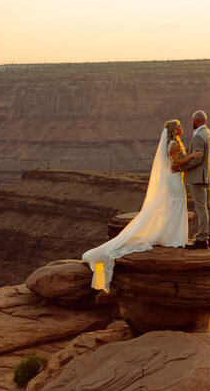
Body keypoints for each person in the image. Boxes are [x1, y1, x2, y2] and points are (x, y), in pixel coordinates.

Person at [82, 119, 194, 290]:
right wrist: (192, 156)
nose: (182, 128)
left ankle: (173, 236)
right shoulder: (173, 144)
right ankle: (174, 238)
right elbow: (177, 163)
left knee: (175, 206)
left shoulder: (172, 143)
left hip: (174, 179)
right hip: (175, 180)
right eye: (179, 126)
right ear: (174, 129)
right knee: (178, 205)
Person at [173, 110, 210, 249]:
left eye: (192, 120)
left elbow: (197, 160)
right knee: (208, 207)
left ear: (196, 121)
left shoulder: (199, 136)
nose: (191, 122)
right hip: (208, 175)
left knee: (201, 208)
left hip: (198, 177)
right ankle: (208, 235)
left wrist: (181, 168)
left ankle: (202, 239)